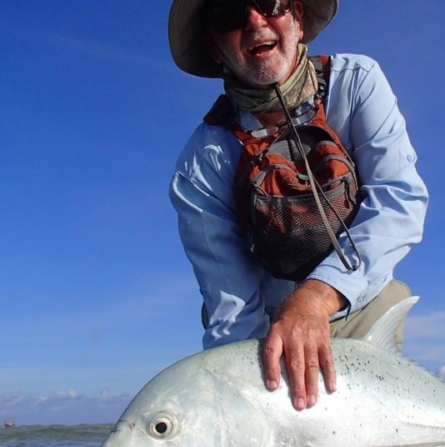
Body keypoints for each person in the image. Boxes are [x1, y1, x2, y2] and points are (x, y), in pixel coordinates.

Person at [168, 0, 428, 411]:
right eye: (229, 13)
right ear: (215, 47)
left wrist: (316, 298)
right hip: (267, 328)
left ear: (298, 18)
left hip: (361, 305)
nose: (255, 20)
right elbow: (231, 307)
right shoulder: (201, 163)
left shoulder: (358, 82)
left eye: (271, 2)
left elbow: (400, 203)